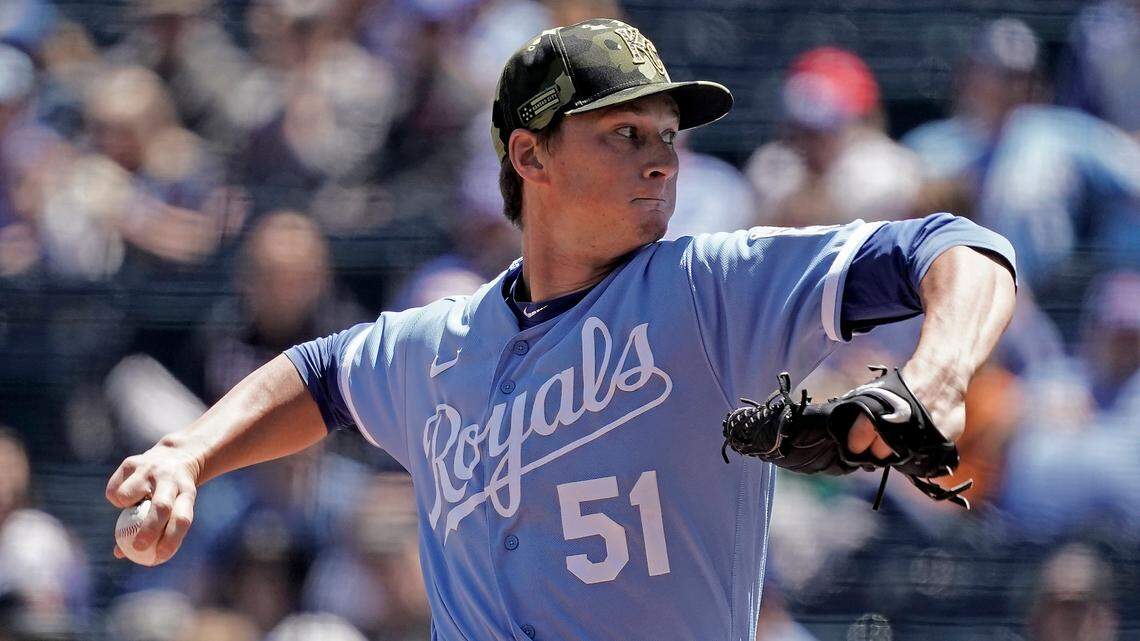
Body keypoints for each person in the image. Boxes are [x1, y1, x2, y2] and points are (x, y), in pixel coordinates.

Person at [106, 18, 1017, 640]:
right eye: (624, 133)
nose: (662, 158)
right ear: (529, 154)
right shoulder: (438, 342)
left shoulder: (710, 289)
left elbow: (954, 242)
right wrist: (188, 453)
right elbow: (318, 374)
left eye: (667, 134)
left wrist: (938, 370)